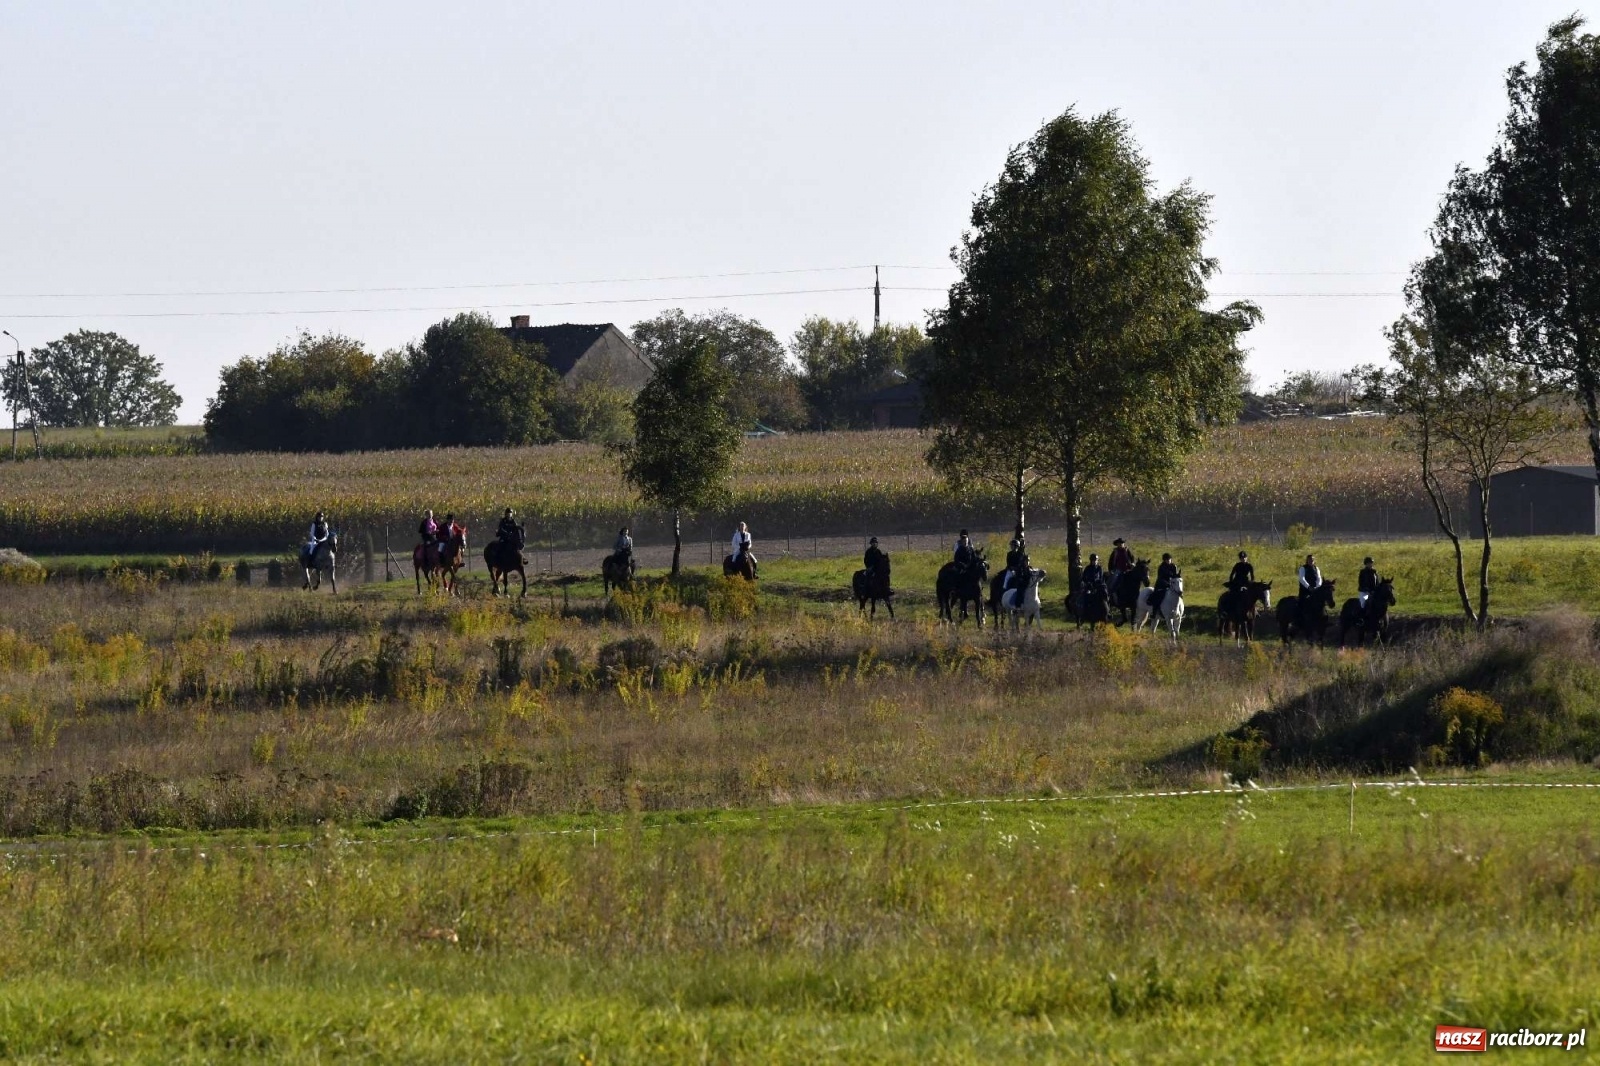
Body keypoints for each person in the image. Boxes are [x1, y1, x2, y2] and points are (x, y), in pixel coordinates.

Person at [1150, 552, 1180, 620]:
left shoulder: (1174, 566)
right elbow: (1160, 578)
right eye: (1167, 559)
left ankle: (1179, 611)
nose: (1169, 560)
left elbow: (1175, 576)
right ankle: (1154, 612)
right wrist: (1168, 584)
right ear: (1164, 560)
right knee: (1158, 597)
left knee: (1179, 593)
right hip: (1161, 585)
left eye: (1169, 559)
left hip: (1172, 585)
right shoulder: (1161, 567)